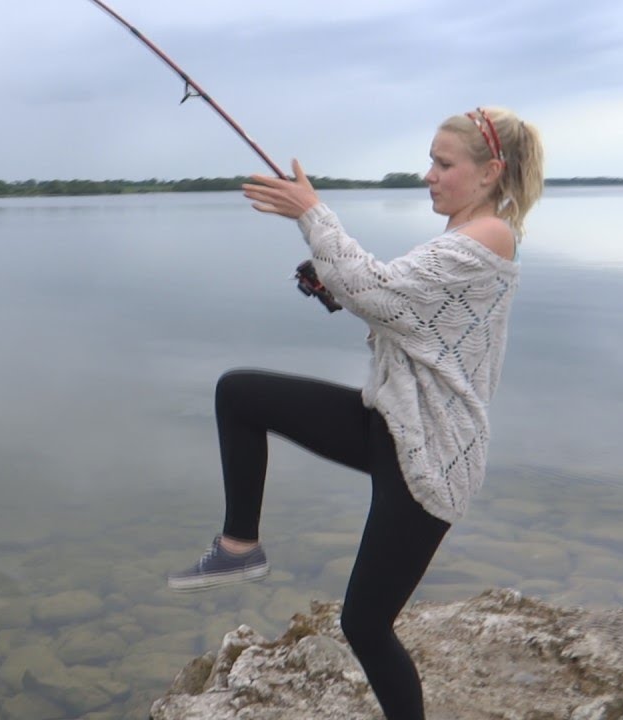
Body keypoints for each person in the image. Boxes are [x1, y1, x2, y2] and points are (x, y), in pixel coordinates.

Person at [166, 107, 545, 720]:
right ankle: (240, 544)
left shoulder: (490, 238)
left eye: (443, 164)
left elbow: (383, 290)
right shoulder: (461, 238)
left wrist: (313, 214)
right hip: (388, 424)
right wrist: (333, 287)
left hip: (432, 458)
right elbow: (401, 312)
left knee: (365, 624)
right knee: (240, 394)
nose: (429, 175)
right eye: (431, 160)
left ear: (489, 172)